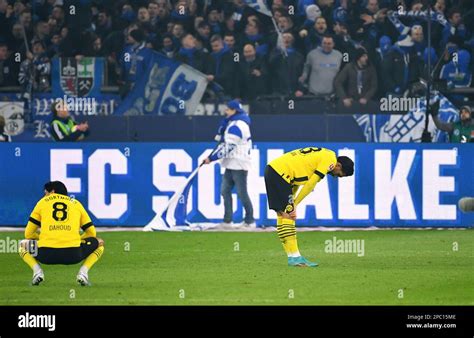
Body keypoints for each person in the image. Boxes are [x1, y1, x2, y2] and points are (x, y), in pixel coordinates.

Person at [265, 147, 354, 267]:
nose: (336, 176)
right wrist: (294, 204)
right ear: (338, 165)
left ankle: (292, 256)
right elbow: (311, 184)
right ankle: (296, 257)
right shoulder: (330, 160)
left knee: (283, 214)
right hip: (281, 174)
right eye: (339, 174)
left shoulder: (324, 155)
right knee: (289, 216)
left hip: (273, 170)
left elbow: (295, 181)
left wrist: (292, 201)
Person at [19, 181, 104, 286]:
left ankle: (37, 272)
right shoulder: (76, 204)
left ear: (52, 192)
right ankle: (83, 273)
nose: (44, 196)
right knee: (99, 243)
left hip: (46, 254)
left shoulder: (42, 202)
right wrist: (78, 240)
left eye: (46, 193)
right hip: (73, 254)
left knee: (22, 244)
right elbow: (91, 232)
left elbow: (28, 234)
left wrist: (42, 238)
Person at [202, 100, 255, 228]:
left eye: (228, 109)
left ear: (234, 110)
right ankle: (227, 221)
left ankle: (249, 221)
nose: (225, 111)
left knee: (242, 193)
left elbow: (228, 146)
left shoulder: (238, 125)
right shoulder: (234, 123)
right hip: (231, 163)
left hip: (239, 163)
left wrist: (212, 158)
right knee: (225, 191)